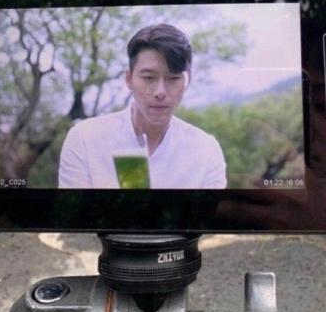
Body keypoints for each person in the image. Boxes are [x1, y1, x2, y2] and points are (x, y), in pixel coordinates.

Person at [58, 24, 227, 189]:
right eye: (148, 78)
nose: (160, 92)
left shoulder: (206, 150)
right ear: (129, 79)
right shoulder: (85, 138)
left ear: (187, 80)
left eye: (173, 78)